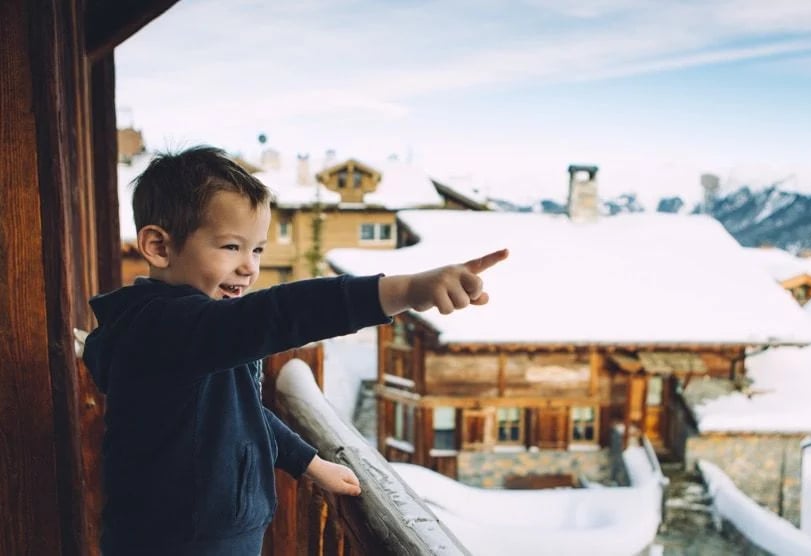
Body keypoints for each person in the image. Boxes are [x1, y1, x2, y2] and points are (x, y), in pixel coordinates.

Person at [82, 146, 508, 556]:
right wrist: (401, 291)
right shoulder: (166, 330)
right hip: (177, 543)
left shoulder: (195, 337)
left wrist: (308, 462)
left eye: (257, 249)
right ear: (159, 247)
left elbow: (243, 410)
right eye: (231, 246)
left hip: (210, 534)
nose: (250, 266)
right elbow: (278, 314)